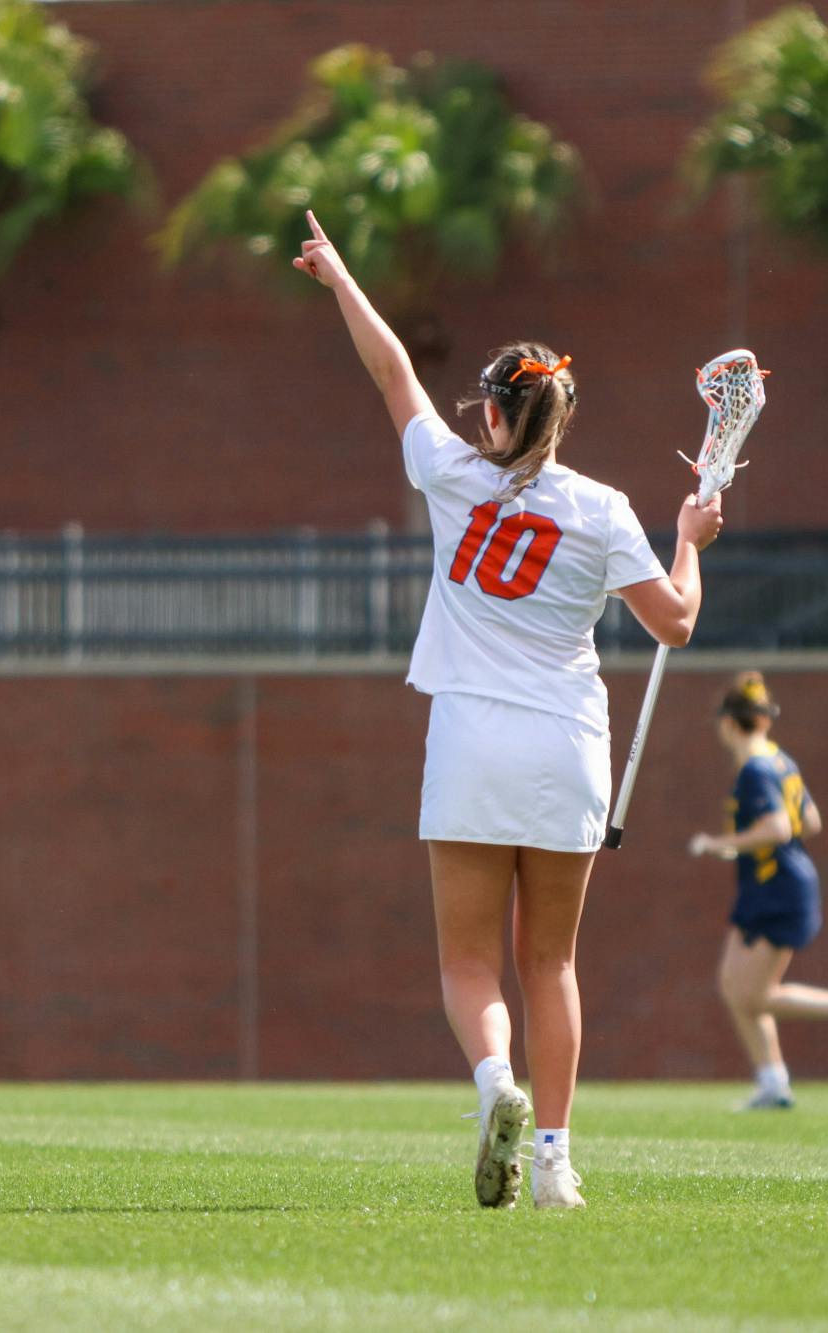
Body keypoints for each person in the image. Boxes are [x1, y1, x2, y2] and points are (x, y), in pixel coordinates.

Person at [294, 210, 723, 1209]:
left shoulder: (450, 474)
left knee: (465, 961)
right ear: (560, 419)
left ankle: (496, 1085)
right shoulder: (604, 509)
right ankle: (555, 1166)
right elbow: (675, 625)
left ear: (492, 416)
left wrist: (340, 279)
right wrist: (691, 535)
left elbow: (390, 371)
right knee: (551, 962)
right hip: (568, 744)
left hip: (470, 740)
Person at [688, 672, 828, 1110]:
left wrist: (723, 844)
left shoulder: (756, 769)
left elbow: (780, 828)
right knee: (732, 983)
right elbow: (812, 820)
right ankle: (772, 1081)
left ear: (729, 722)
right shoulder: (781, 760)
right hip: (764, 886)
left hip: (779, 888)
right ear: (764, 721)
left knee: (756, 995)